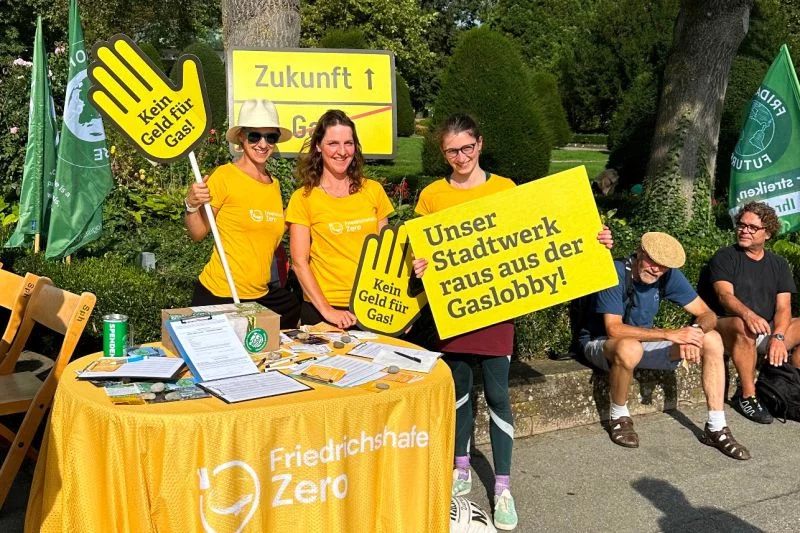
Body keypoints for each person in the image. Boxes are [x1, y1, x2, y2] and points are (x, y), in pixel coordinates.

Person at [412, 113, 613, 531]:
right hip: (452, 312)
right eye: (452, 150)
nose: (461, 156)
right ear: (443, 152)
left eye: (467, 147)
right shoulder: (431, 195)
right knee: (459, 392)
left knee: (499, 396)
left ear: (480, 144)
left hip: (495, 312)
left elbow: (544, 235)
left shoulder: (505, 189)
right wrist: (420, 264)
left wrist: (593, 239)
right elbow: (421, 248)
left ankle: (503, 486)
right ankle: (461, 464)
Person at [580, 231, 750, 460]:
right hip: (600, 343)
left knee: (712, 339)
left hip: (642, 343)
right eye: (652, 261)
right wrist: (672, 334)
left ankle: (716, 427)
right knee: (629, 348)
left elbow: (707, 314)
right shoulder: (617, 271)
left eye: (664, 266)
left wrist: (695, 333)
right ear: (640, 252)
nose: (656, 270)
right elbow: (614, 329)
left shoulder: (668, 275)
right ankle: (619, 416)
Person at [184, 98, 300, 329]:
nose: (263, 144)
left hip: (260, 295)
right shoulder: (225, 176)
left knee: (292, 314)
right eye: (254, 136)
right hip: (221, 293)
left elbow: (270, 231)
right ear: (241, 138)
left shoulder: (274, 184)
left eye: (271, 137)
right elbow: (197, 233)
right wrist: (191, 204)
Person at [286, 110, 394, 329]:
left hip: (372, 306)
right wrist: (328, 311)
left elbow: (387, 256)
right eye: (333, 143)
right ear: (318, 146)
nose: (342, 151)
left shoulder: (373, 191)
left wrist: (395, 309)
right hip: (323, 311)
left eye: (349, 143)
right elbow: (299, 262)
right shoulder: (303, 198)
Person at [698, 201, 799, 424]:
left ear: (768, 234)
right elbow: (725, 296)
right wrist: (748, 314)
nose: (744, 230)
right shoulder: (725, 257)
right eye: (742, 225)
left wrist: (779, 337)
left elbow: (784, 307)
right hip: (726, 326)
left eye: (752, 227)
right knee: (745, 326)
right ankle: (747, 396)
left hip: (767, 328)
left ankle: (793, 390)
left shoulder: (779, 264)